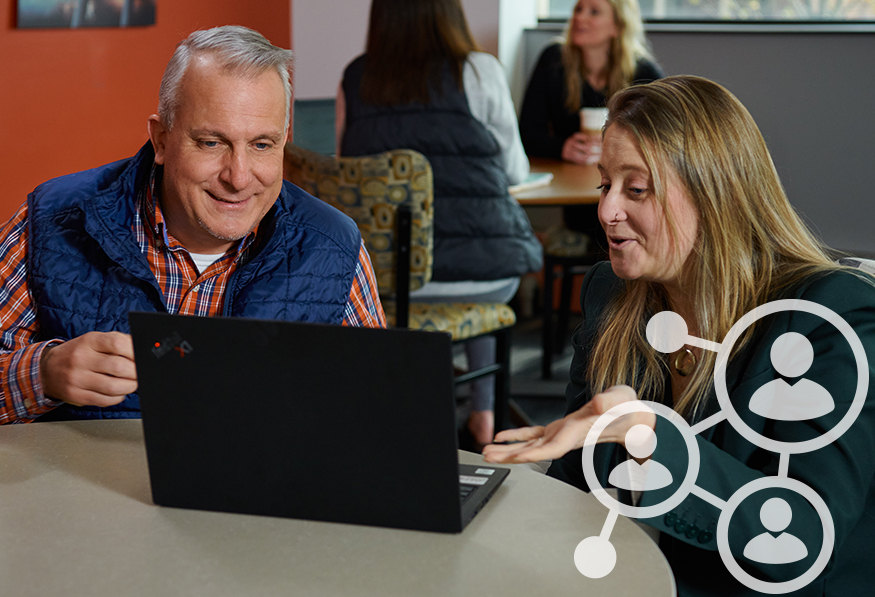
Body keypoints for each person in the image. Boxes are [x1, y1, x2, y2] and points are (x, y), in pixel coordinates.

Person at [484, 76, 875, 594]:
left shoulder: (828, 316)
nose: (606, 211)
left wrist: (647, 432)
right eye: (605, 184)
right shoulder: (612, 293)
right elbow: (580, 486)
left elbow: (800, 541)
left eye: (637, 188)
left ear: (715, 194)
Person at [0, 26, 385, 425]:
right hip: (80, 485)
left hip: (256, 486)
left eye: (262, 145)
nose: (238, 177)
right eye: (211, 143)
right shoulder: (54, 219)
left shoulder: (334, 248)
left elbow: (380, 415)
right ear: (161, 140)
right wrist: (41, 373)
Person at [336, 0, 542, 448]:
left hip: (387, 284)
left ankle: (401, 411)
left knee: (439, 274)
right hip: (480, 279)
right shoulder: (479, 71)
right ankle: (485, 414)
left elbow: (350, 177)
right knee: (477, 265)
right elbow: (514, 172)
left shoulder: (355, 78)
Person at [519, 0, 663, 239]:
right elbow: (525, 132)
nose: (580, 18)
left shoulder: (644, 73)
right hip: (574, 201)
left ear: (617, 25)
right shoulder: (553, 60)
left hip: (630, 201)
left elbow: (663, 140)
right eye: (578, 9)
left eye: (594, 12)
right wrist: (562, 148)